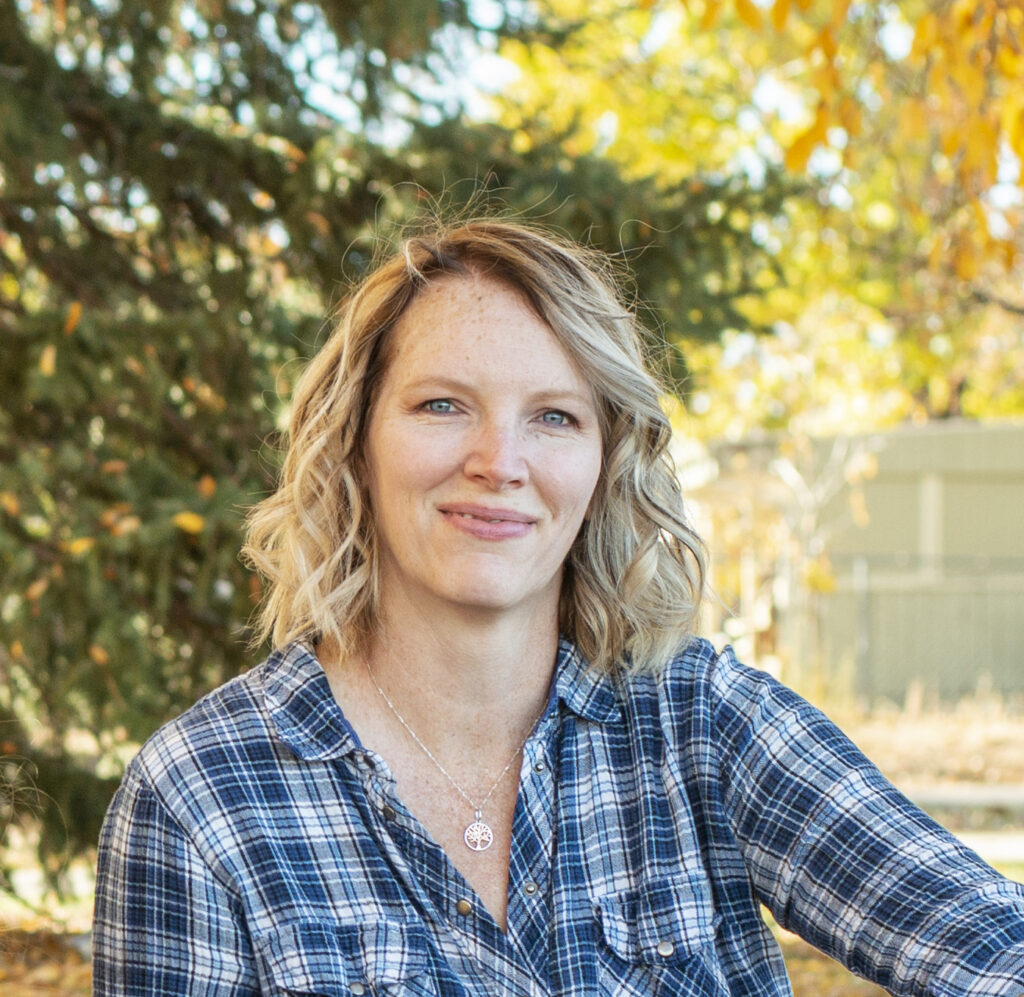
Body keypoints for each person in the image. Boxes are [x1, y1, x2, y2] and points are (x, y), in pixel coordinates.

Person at [93, 218, 1024, 996]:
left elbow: (993, 948)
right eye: (443, 405)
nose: (501, 461)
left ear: (603, 463)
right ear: (354, 440)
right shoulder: (200, 799)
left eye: (554, 416)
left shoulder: (698, 721)